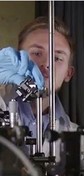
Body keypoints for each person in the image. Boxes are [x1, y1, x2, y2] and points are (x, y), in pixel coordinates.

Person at [0, 16, 78, 162]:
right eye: (36, 53)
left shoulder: (76, 138)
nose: (46, 64)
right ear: (16, 60)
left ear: (68, 73)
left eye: (57, 58)